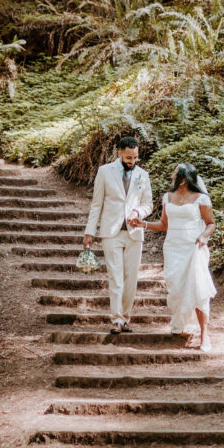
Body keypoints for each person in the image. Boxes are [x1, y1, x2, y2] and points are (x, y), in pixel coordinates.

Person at [129, 163, 216, 352]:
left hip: (194, 247)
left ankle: (204, 335)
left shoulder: (201, 199)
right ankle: (182, 322)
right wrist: (142, 224)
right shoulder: (167, 198)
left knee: (197, 288)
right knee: (176, 289)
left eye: (175, 173)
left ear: (183, 179)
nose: (172, 175)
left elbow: (210, 224)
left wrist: (203, 236)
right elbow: (163, 225)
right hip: (173, 248)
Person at [83, 136, 153, 334]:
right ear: (120, 153)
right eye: (129, 157)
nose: (132, 161)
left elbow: (149, 203)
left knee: (131, 278)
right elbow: (96, 204)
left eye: (135, 157)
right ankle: (116, 319)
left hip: (134, 232)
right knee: (116, 276)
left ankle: (126, 318)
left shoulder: (143, 175)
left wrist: (137, 212)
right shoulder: (105, 172)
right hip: (111, 232)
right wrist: (89, 232)